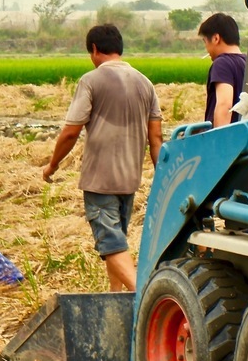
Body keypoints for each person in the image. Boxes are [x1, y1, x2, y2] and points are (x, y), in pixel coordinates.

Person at [43, 24, 162, 291]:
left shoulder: (91, 81)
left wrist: (52, 165)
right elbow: (156, 139)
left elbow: (71, 133)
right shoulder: (145, 83)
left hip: (101, 180)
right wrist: (162, 177)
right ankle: (115, 298)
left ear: (94, 49)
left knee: (110, 244)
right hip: (130, 179)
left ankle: (142, 296)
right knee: (116, 242)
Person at [198, 12, 247, 127]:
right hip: (247, 136)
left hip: (230, 139)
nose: (206, 48)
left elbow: (225, 104)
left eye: (205, 41)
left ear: (216, 38)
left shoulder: (222, 63)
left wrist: (219, 140)